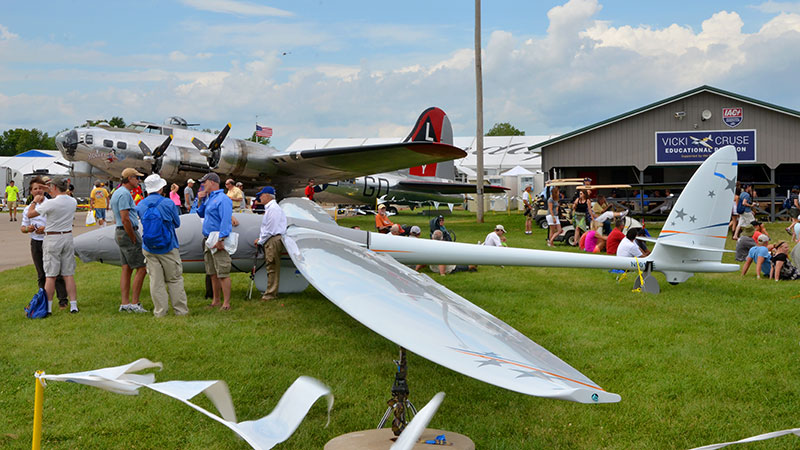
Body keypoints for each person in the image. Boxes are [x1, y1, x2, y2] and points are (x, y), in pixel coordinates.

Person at [136, 174, 188, 317]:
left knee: (155, 281)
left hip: (149, 247)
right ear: (160, 188)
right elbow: (177, 223)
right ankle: (180, 310)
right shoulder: (168, 203)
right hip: (168, 245)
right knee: (174, 279)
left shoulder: (141, 205)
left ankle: (160, 312)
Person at [26, 177, 79, 314]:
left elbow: (31, 213)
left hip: (53, 238)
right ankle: (73, 305)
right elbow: (60, 194)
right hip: (67, 236)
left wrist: (34, 201)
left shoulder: (51, 204)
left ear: (54, 187)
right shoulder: (72, 201)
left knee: (51, 275)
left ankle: (48, 307)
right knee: (68, 274)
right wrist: (48, 188)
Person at [110, 168, 149, 313]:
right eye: (137, 178)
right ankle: (135, 303)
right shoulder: (125, 194)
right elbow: (125, 217)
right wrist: (132, 237)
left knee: (126, 269)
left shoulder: (118, 192)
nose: (138, 181)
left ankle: (125, 303)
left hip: (120, 231)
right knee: (142, 267)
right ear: (130, 178)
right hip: (127, 232)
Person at [197, 172, 233, 310]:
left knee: (222, 271)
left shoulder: (223, 199)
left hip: (217, 237)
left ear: (212, 182)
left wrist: (221, 238)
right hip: (208, 238)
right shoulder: (209, 198)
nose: (203, 185)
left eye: (204, 182)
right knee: (212, 272)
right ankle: (216, 300)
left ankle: (226, 303)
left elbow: (225, 220)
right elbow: (200, 213)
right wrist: (200, 200)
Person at [253, 186, 287, 302]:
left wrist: (260, 240)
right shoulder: (271, 208)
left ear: (267, 195)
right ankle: (270, 292)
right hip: (271, 239)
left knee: (272, 266)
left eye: (261, 195)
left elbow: (270, 229)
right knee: (270, 266)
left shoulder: (273, 209)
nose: (260, 197)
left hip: (272, 239)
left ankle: (270, 294)